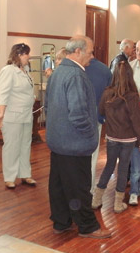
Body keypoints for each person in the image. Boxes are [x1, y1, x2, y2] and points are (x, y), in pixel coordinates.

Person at [45, 35, 111, 239]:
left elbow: (48, 106)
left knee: (58, 184)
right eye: (90, 52)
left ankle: (61, 221)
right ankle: (88, 226)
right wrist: (90, 133)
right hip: (74, 143)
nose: (92, 57)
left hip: (58, 141)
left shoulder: (59, 72)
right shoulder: (76, 75)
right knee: (79, 186)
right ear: (78, 52)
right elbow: (79, 113)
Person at [91, 61, 140, 213]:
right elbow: (136, 121)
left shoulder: (107, 92)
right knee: (122, 169)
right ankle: (117, 204)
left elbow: (100, 110)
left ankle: (96, 200)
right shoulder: (133, 96)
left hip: (112, 137)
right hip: (128, 139)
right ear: (130, 76)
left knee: (109, 166)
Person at [0, 43, 37, 189]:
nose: (29, 56)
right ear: (19, 55)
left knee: (25, 145)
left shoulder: (25, 70)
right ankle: (9, 177)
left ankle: (25, 174)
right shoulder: (9, 70)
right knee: (12, 146)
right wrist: (1, 113)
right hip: (13, 115)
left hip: (27, 114)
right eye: (27, 54)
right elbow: (3, 93)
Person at [85, 58, 112, 194]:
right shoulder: (104, 69)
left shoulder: (78, 68)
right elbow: (110, 95)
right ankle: (88, 188)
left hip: (78, 116)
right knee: (93, 154)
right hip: (97, 116)